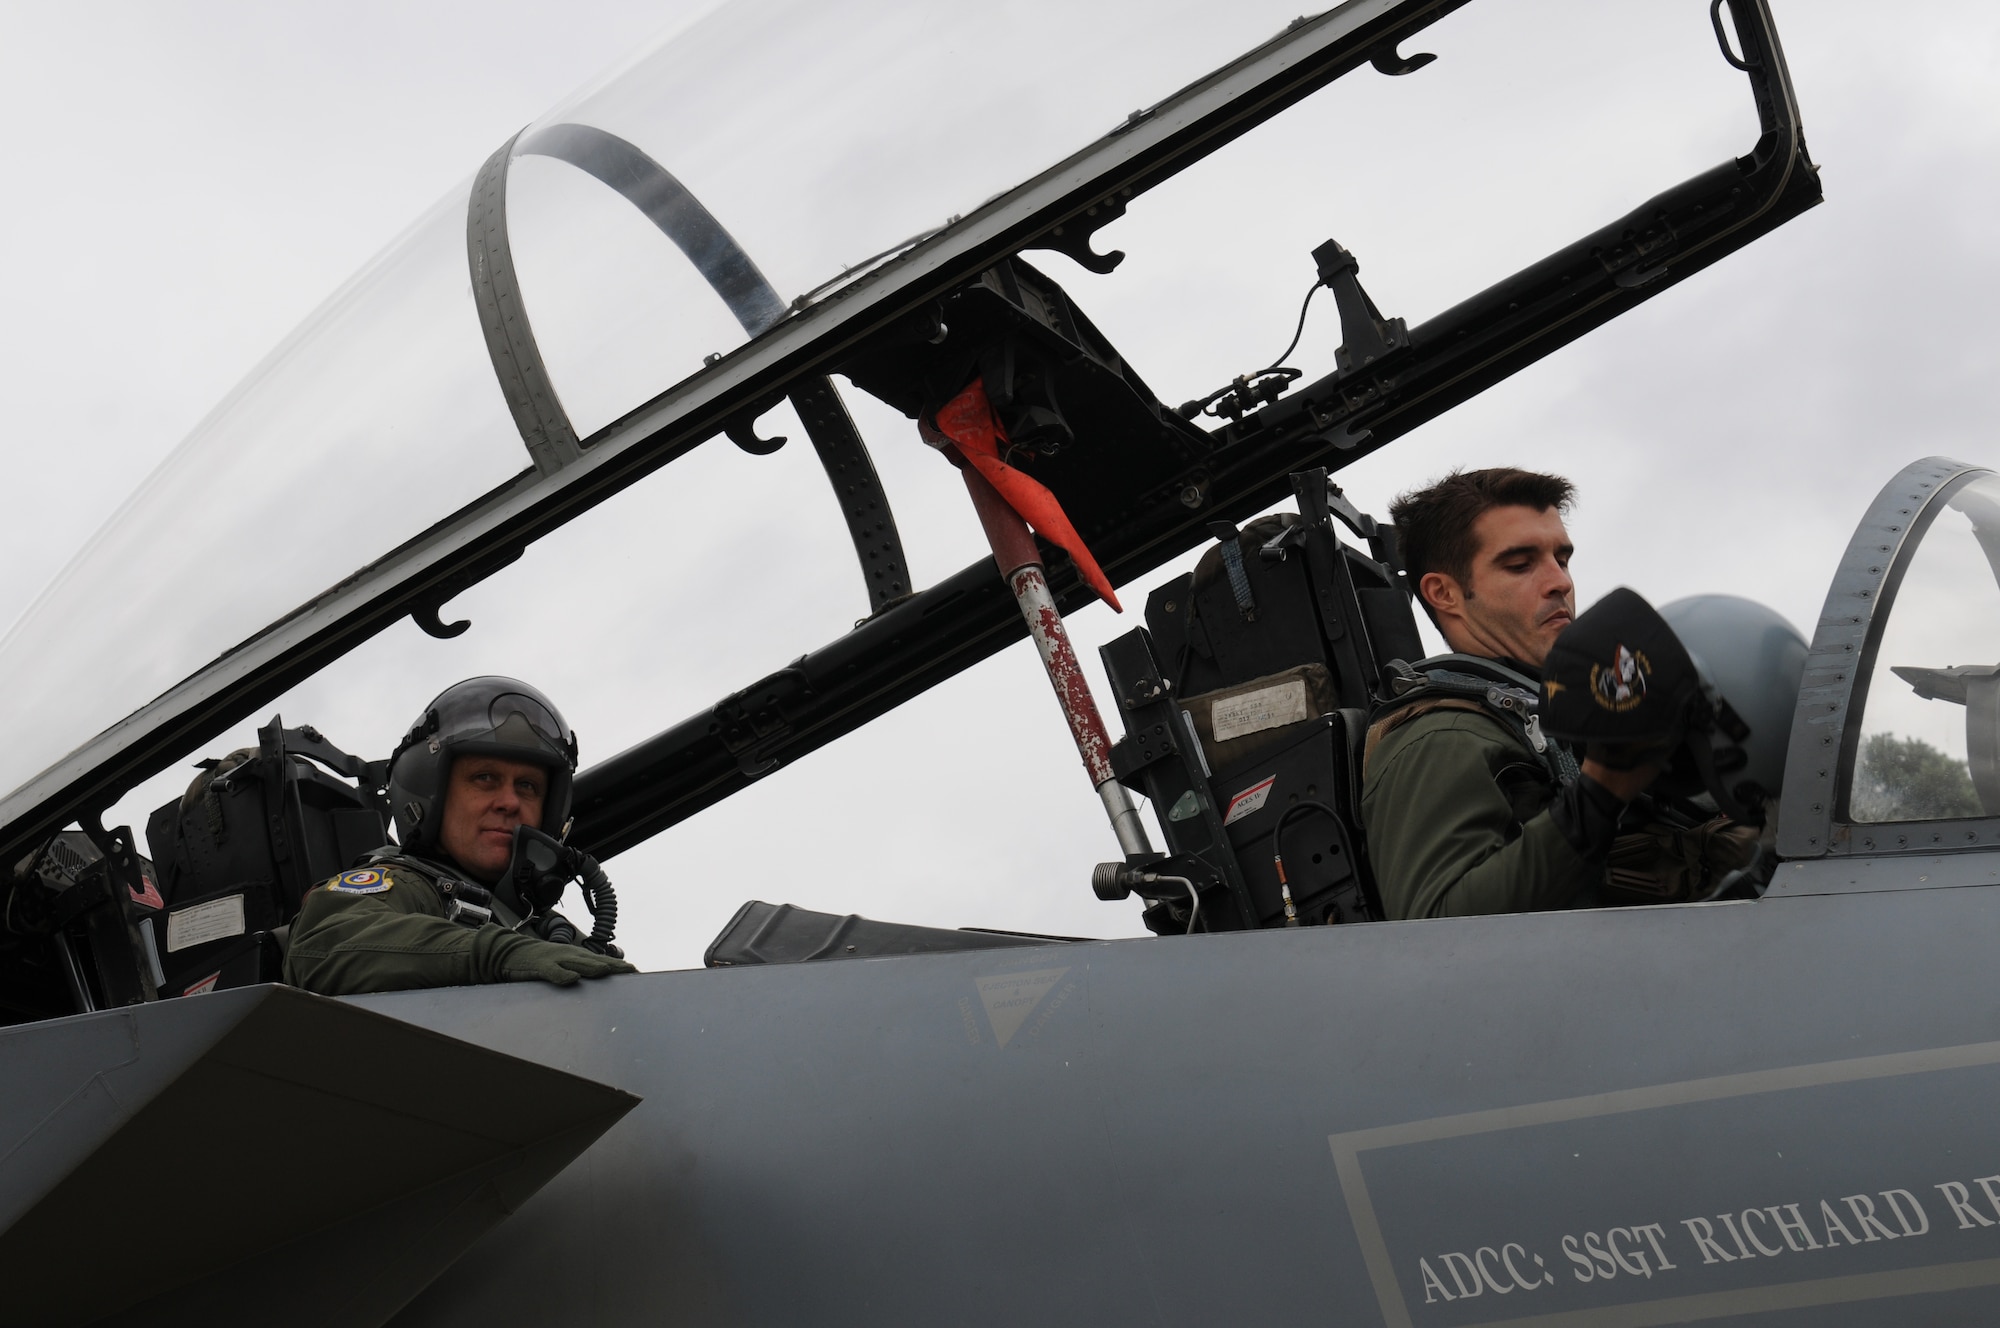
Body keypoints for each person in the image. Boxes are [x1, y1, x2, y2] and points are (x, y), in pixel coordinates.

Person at [1360, 468, 1655, 920]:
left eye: (1562, 559)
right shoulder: (1441, 737)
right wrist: (1601, 793)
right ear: (1445, 593)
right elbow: (1439, 928)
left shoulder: (1572, 716)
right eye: (1520, 565)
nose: (1560, 582)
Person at [284, 677, 636, 995]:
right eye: (485, 778)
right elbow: (321, 948)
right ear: (430, 794)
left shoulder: (547, 933)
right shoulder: (405, 887)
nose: (510, 802)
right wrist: (493, 956)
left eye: (527, 786)